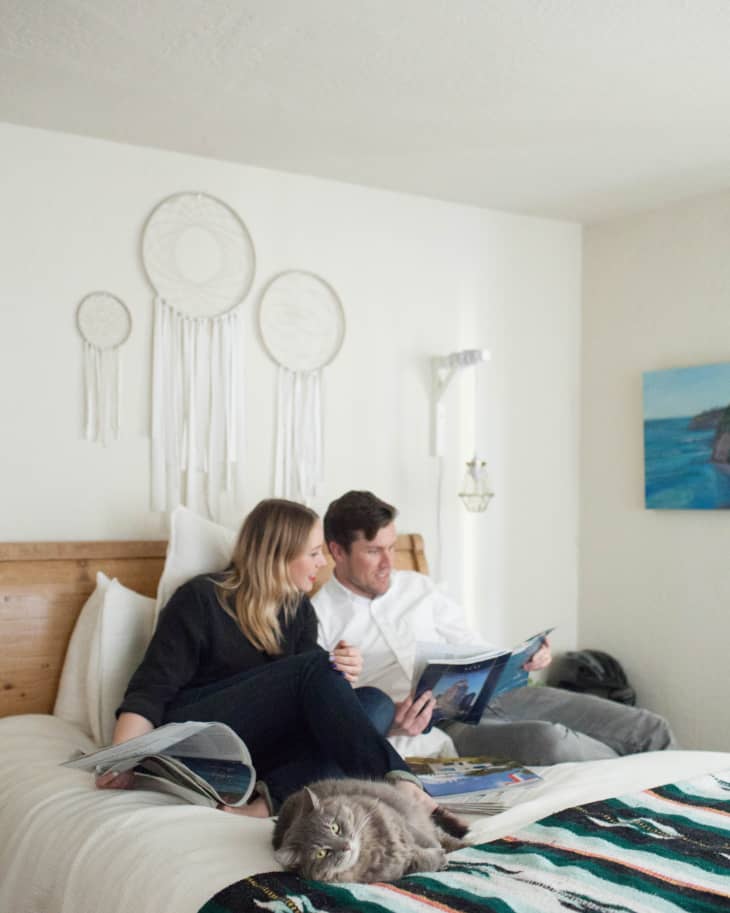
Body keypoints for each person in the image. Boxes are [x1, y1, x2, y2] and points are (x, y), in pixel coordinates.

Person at [96, 498, 433, 817]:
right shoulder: (201, 599)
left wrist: (341, 674)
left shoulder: (297, 610)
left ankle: (270, 801)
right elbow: (151, 690)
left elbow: (316, 704)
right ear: (277, 556)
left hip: (264, 753)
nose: (322, 562)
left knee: (376, 703)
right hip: (200, 736)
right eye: (314, 553)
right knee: (318, 667)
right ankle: (400, 783)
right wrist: (121, 758)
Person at [313, 490, 678, 765]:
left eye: (392, 548)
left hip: (497, 694)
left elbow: (473, 647)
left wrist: (525, 657)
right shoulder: (319, 620)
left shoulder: (419, 588)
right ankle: (638, 786)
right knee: (551, 742)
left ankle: (686, 812)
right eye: (374, 551)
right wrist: (393, 720)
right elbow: (331, 714)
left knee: (650, 728)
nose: (388, 563)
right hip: (442, 725)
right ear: (337, 552)